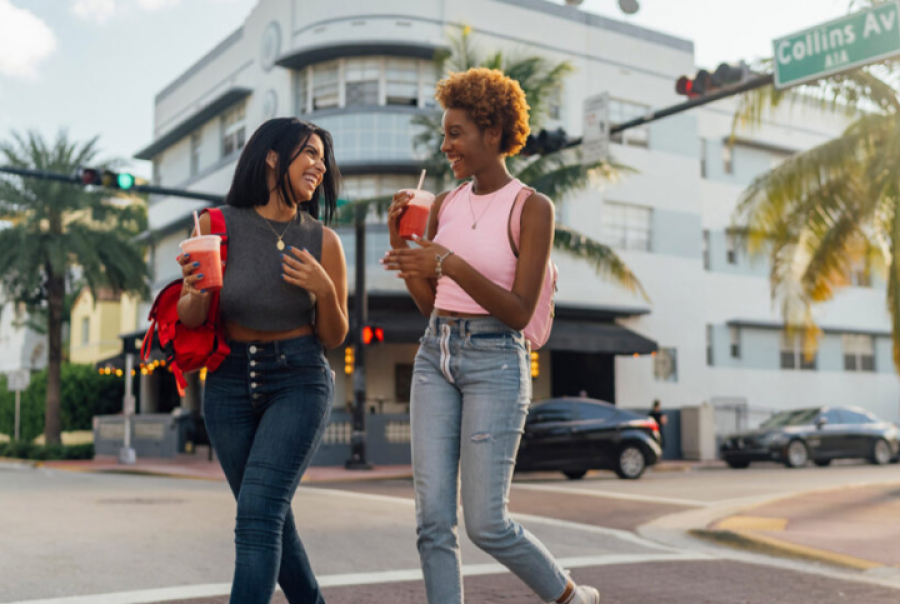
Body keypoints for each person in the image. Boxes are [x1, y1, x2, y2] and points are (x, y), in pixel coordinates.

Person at [383, 68, 601, 604]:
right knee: (432, 522)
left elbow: (519, 311)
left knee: (485, 523)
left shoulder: (532, 207)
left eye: (456, 133)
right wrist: (406, 248)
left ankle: (570, 597)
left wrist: (449, 262)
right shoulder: (444, 205)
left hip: (497, 361)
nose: (446, 145)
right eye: (444, 134)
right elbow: (432, 304)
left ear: (492, 131)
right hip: (437, 354)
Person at [177, 118, 348, 604]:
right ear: (272, 156)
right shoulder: (215, 226)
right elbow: (192, 317)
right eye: (309, 153)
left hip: (299, 379)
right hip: (228, 383)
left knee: (257, 516)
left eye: (323, 157)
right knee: (269, 513)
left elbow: (333, 336)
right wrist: (192, 290)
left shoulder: (324, 241)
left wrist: (325, 289)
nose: (319, 164)